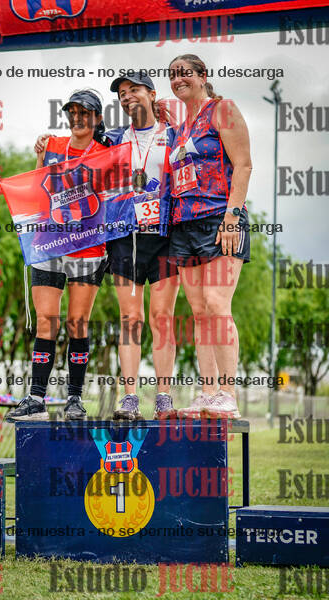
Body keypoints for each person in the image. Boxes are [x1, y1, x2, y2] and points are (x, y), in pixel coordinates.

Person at [36, 74, 180, 420]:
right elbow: (78, 144)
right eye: (122, 93)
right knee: (130, 318)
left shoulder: (175, 134)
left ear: (152, 94)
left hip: (164, 235)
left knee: (162, 318)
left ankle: (164, 398)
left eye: (134, 90)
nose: (127, 96)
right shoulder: (113, 138)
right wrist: (44, 143)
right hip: (123, 236)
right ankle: (129, 398)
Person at [0, 90, 109, 421]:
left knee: (77, 323)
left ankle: (75, 399)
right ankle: (36, 397)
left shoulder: (107, 153)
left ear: (97, 118)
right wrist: (6, 187)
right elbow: (36, 185)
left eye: (85, 113)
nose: (77, 118)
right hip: (48, 243)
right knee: (45, 321)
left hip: (87, 246)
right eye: (73, 112)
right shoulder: (51, 144)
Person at [166, 54, 252, 419]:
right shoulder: (179, 129)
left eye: (185, 73)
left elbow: (244, 165)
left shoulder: (222, 109)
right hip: (184, 225)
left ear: (203, 76)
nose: (178, 79)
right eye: (172, 75)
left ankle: (228, 395)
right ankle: (208, 393)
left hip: (220, 218)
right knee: (199, 312)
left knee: (217, 304)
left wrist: (233, 216)